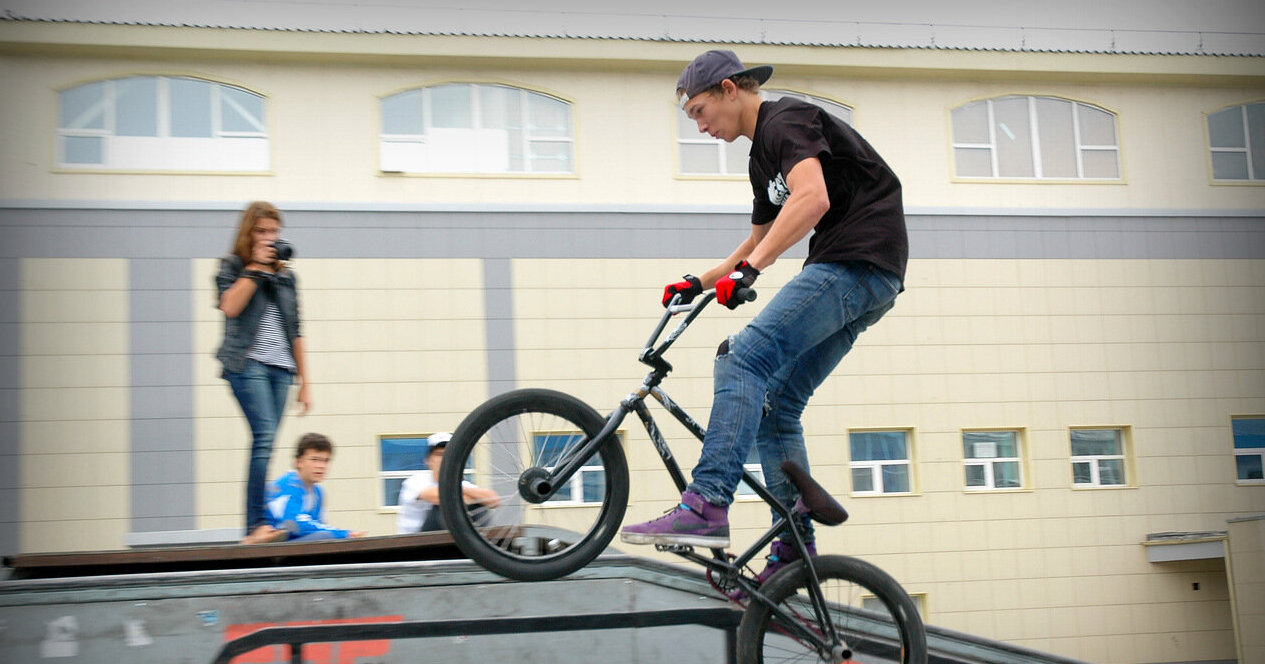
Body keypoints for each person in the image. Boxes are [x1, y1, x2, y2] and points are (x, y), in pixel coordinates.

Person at [620, 50, 908, 594]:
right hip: (871, 278)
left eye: (700, 111)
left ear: (731, 89)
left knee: (742, 357)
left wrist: (751, 270)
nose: (700, 125)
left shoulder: (786, 120)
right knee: (776, 405)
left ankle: (706, 503)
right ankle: (793, 547)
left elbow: (812, 198)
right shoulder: (760, 160)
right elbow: (756, 240)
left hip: (857, 260)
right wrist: (702, 281)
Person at [215, 201, 312, 545]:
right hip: (247, 364)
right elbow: (229, 307)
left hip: (281, 370)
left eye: (274, 232)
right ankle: (254, 524)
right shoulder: (233, 266)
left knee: (266, 443)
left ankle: (260, 523)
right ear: (248, 233)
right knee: (265, 437)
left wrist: (306, 382)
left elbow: (296, 331)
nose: (269, 238)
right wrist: (255, 267)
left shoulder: (286, 278)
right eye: (262, 231)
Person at [244, 433, 366, 543]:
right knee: (326, 537)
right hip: (272, 551)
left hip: (294, 545)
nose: (321, 466)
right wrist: (345, 534)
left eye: (326, 461)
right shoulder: (287, 485)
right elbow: (295, 525)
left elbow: (317, 525)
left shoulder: (318, 492)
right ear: (299, 462)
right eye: (314, 460)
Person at [396, 432, 501, 533]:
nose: (444, 459)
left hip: (448, 539)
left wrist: (463, 491)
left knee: (478, 504)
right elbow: (440, 497)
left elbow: (494, 500)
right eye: (439, 454)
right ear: (428, 461)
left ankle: (482, 545)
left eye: (448, 454)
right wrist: (469, 496)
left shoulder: (461, 484)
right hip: (415, 544)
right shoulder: (415, 481)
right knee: (444, 505)